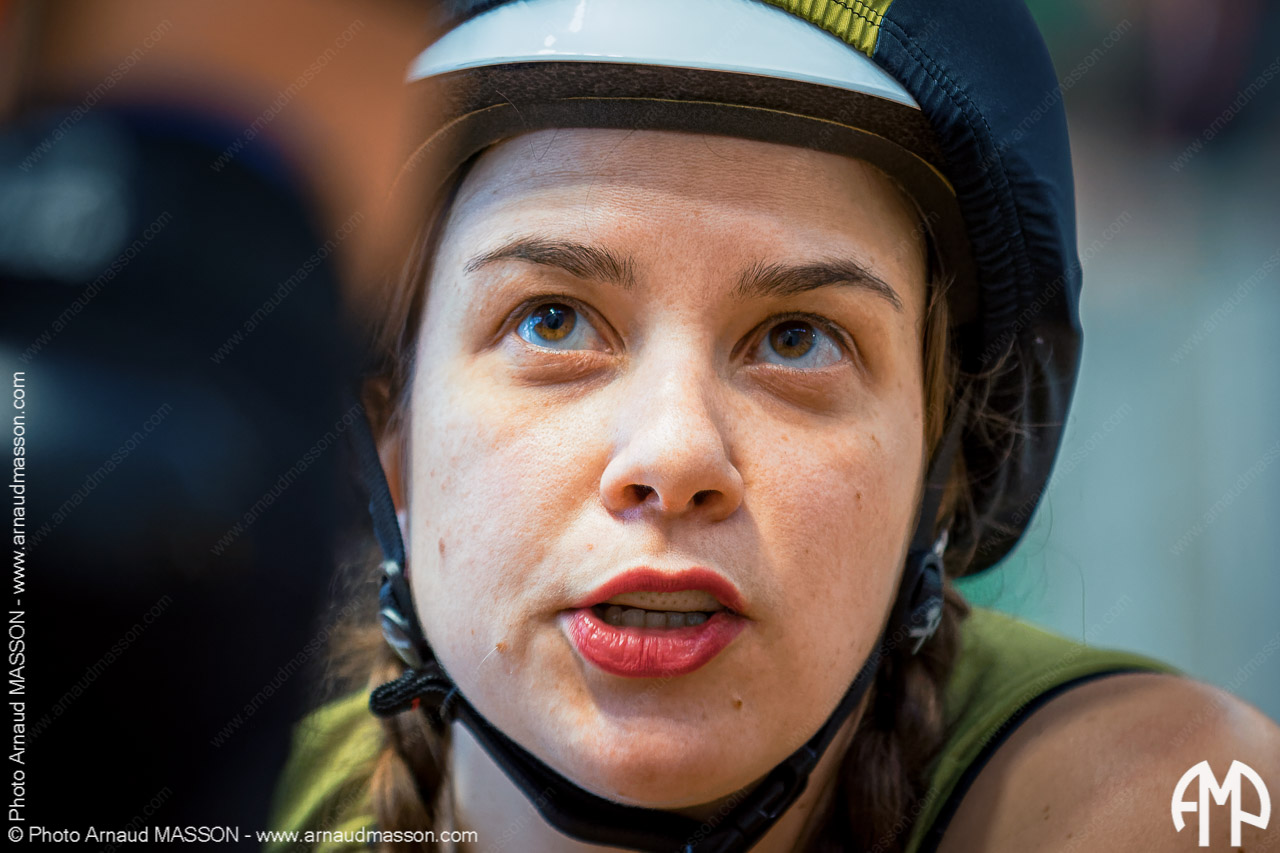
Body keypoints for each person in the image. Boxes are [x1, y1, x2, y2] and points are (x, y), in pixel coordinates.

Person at [266, 1, 1280, 851]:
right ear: (389, 429)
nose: (673, 453)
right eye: (553, 321)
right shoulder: (220, 791)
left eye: (797, 340)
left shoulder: (1167, 801)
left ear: (942, 469)